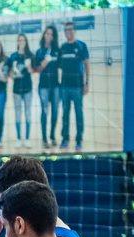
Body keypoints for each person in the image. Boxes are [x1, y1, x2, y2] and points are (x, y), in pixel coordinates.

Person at [57, 21, 89, 151]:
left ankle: (79, 140)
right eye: (66, 30)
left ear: (74, 31)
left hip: (77, 87)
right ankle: (65, 139)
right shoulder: (62, 47)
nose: (68, 32)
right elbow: (58, 66)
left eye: (70, 29)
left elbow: (87, 64)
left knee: (78, 113)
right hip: (64, 87)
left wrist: (87, 83)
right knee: (65, 114)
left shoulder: (81, 46)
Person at [34, 25, 61, 148]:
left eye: (51, 34)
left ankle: (52, 136)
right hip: (43, 86)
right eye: (47, 33)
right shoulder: (39, 52)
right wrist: (45, 62)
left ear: (53, 37)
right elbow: (37, 69)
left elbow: (62, 66)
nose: (49, 36)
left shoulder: (57, 51)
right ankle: (44, 138)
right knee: (45, 111)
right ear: (44, 35)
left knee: (55, 112)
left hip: (55, 86)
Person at [9, 34, 35, 148]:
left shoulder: (30, 55)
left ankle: (28, 139)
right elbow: (9, 73)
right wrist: (13, 75)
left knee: (28, 113)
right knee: (18, 114)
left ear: (26, 42)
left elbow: (33, 71)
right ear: (17, 42)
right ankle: (19, 138)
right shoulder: (13, 56)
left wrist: (29, 67)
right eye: (19, 40)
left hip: (28, 89)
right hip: (16, 90)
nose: (21, 42)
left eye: (23, 40)